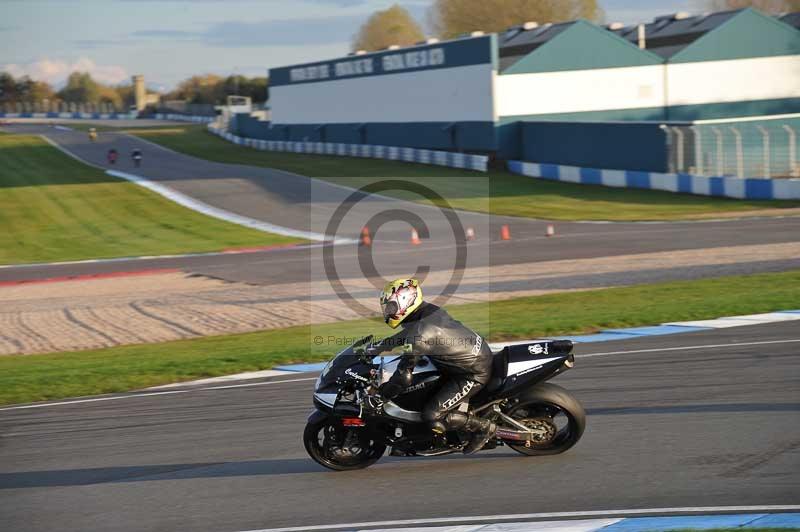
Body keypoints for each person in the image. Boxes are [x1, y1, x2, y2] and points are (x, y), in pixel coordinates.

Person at [371, 278, 495, 454]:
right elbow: (407, 335)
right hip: (465, 359)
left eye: (391, 307)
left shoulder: (422, 334)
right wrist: (377, 347)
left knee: (432, 415)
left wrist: (382, 396)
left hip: (472, 372)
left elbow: (404, 377)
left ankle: (483, 428)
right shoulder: (425, 312)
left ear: (406, 302)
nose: (388, 312)